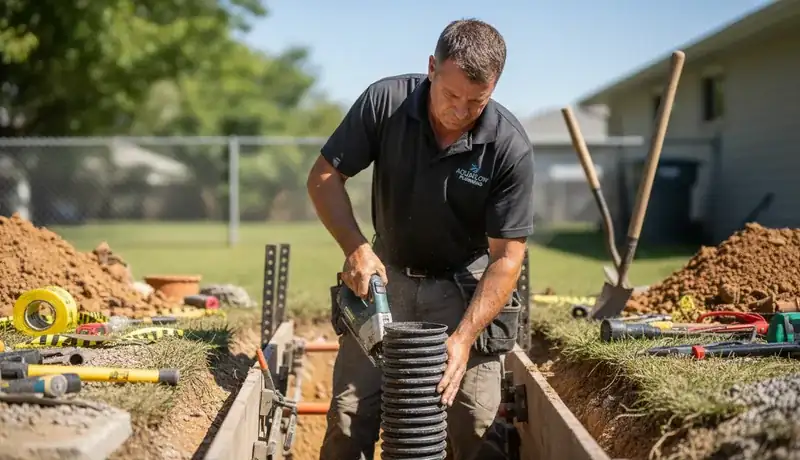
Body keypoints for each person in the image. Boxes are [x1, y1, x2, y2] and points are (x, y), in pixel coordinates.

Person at [307, 18, 535, 460]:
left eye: (476, 101)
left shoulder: (508, 147)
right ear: (432, 67)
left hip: (462, 285)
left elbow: (507, 258)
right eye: (451, 94)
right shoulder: (385, 103)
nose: (461, 110)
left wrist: (465, 337)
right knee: (348, 417)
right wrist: (355, 246)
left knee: (474, 421)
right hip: (384, 282)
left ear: (495, 87)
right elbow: (323, 176)